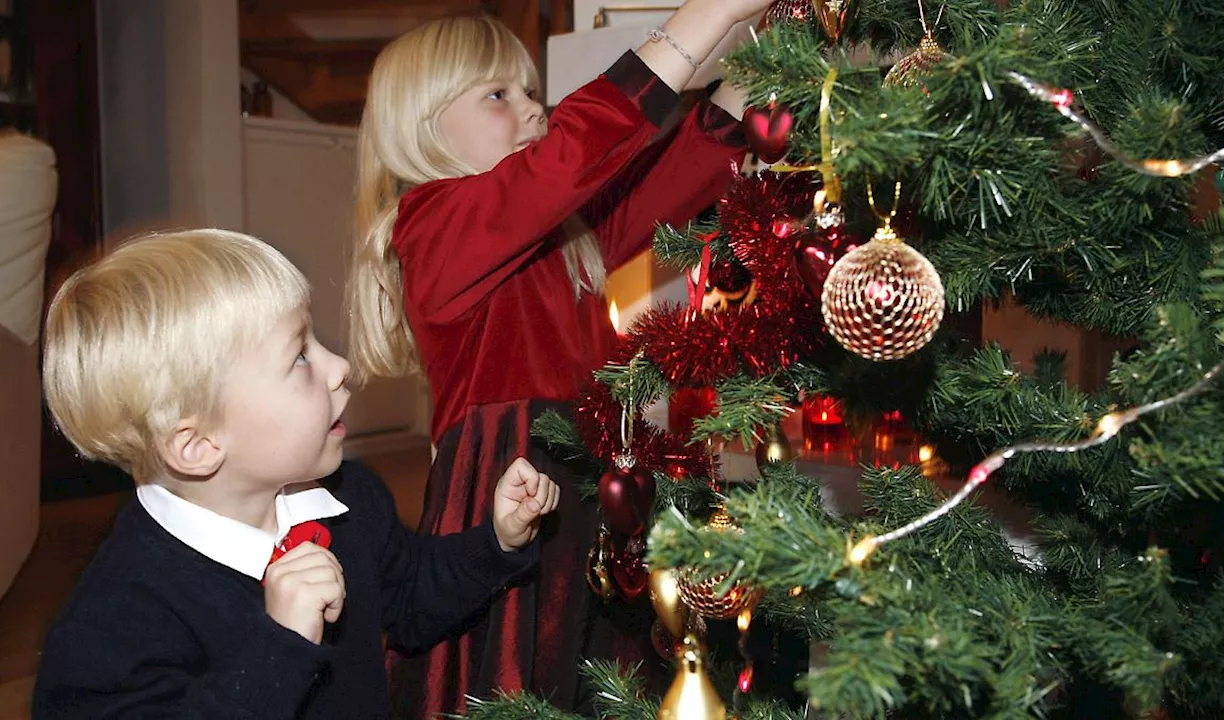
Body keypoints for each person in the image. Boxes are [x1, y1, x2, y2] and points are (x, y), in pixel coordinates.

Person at [345, 1, 773, 714]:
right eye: (498, 95)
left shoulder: (566, 237)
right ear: (421, 126)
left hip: (593, 500)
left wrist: (773, 41)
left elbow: (684, 167)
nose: (533, 109)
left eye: (532, 92)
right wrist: (713, 12)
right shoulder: (431, 226)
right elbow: (566, 162)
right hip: (508, 499)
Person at [32, 229, 560, 719]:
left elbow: (412, 597)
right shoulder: (115, 622)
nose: (340, 366)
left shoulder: (348, 498)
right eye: (299, 357)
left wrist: (498, 541)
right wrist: (279, 647)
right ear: (197, 445)